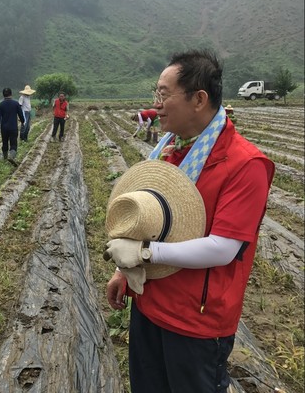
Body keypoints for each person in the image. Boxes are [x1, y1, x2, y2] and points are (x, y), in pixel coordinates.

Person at [104, 50, 275, 393]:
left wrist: (145, 255)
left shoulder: (245, 164)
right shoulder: (171, 150)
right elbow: (153, 220)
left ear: (199, 99)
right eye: (156, 94)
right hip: (150, 305)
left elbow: (223, 248)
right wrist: (125, 270)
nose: (157, 104)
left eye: (164, 94)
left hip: (196, 322)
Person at [0, 87, 25, 163]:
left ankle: (5, 159)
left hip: (4, 128)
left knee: (4, 143)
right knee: (13, 143)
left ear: (3, 95)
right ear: (11, 94)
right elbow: (20, 114)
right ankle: (11, 156)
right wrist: (23, 122)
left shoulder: (0, 105)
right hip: (13, 127)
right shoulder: (15, 104)